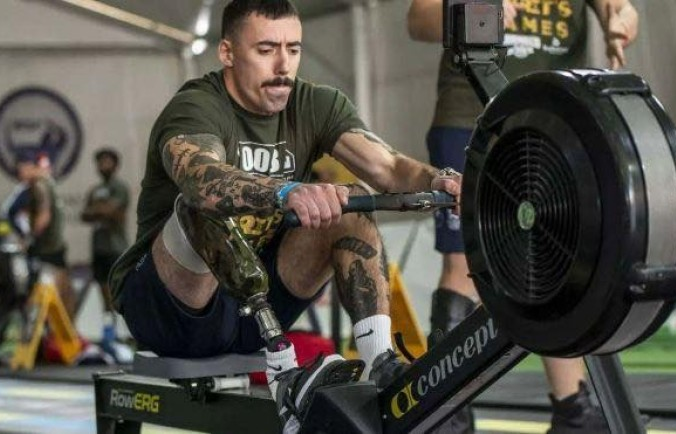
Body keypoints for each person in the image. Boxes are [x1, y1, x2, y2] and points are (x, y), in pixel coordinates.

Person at [107, 0, 461, 430]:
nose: (283, 66)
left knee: (350, 201)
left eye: (293, 49)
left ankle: (381, 363)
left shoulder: (315, 104)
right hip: (170, 311)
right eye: (266, 50)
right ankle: (283, 370)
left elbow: (389, 168)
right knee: (202, 204)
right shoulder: (196, 105)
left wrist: (440, 180)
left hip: (255, 313)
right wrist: (287, 191)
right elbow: (202, 179)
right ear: (227, 53)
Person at [407, 1, 639, 432]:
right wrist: (478, 9)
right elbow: (418, 19)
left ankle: (573, 409)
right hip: (471, 115)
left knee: (555, 257)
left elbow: (620, 8)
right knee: (464, 262)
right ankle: (447, 409)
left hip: (552, 117)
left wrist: (618, 23)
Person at [80, 148, 130, 347]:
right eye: (100, 162)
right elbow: (84, 214)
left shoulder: (120, 187)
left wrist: (99, 209)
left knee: (119, 290)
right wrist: (101, 209)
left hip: (115, 247)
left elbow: (112, 210)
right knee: (102, 289)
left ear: (115, 165)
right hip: (98, 247)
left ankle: (127, 331)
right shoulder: (95, 190)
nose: (103, 165)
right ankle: (109, 330)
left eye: (107, 162)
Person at [16, 153, 75, 317]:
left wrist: (29, 239)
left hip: (47, 247)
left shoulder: (39, 186)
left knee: (45, 289)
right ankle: (67, 326)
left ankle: (46, 326)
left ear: (31, 167)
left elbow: (44, 217)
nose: (20, 175)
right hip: (55, 244)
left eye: (21, 170)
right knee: (64, 286)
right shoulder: (48, 183)